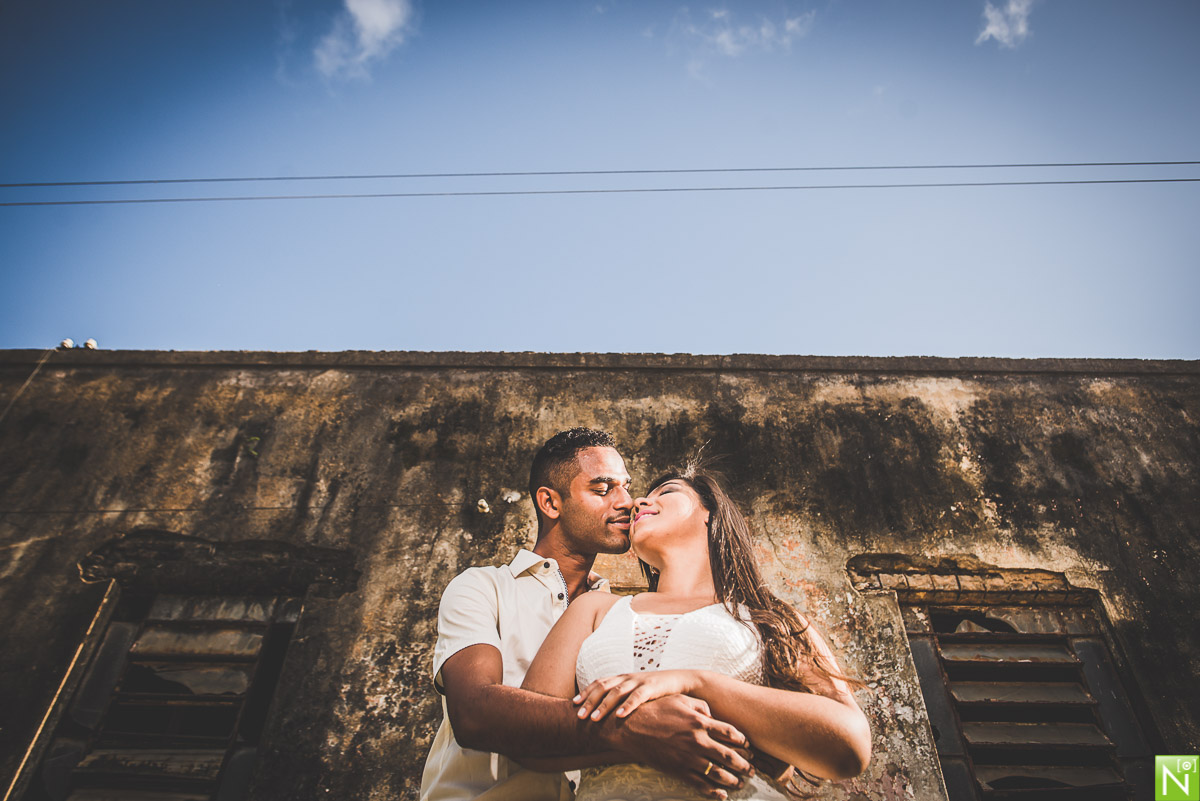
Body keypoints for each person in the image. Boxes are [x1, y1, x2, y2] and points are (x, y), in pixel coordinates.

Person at [420, 429, 756, 801]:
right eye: (603, 489)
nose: (627, 502)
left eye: (626, 487)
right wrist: (632, 730)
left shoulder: (620, 616)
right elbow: (474, 714)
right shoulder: (483, 587)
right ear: (551, 503)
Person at [521, 464, 872, 800]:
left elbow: (850, 746)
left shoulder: (770, 617)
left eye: (667, 492)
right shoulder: (595, 608)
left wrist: (694, 682)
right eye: (643, 497)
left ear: (710, 512)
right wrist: (632, 736)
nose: (638, 502)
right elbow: (525, 734)